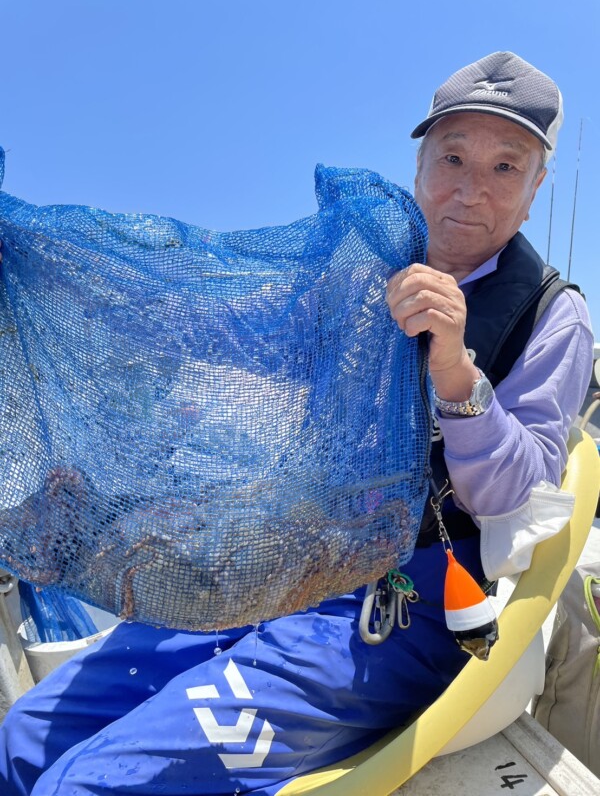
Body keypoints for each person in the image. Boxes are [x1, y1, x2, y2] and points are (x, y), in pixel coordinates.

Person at [0, 51, 594, 796]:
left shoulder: (552, 314)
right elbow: (213, 327)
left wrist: (456, 374)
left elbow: (518, 498)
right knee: (21, 740)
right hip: (287, 561)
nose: (471, 191)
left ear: (537, 187)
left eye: (506, 167)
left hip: (404, 605)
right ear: (419, 167)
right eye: (453, 157)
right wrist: (48, 269)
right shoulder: (355, 273)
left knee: (92, 785)